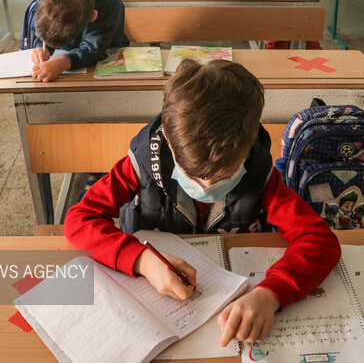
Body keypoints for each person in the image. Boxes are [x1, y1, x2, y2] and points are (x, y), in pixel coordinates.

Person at [64, 59, 341, 346]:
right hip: (153, 306)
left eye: (225, 175)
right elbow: (80, 218)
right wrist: (141, 260)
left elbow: (320, 240)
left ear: (247, 150)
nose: (206, 187)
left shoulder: (261, 176)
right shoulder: (143, 163)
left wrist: (271, 293)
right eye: (190, 174)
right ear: (170, 141)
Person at [30, 0, 129, 82]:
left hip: (106, 58)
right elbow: (45, 26)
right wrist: (43, 47)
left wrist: (64, 62)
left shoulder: (110, 4)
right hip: (67, 55)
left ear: (93, 16)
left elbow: (93, 49)